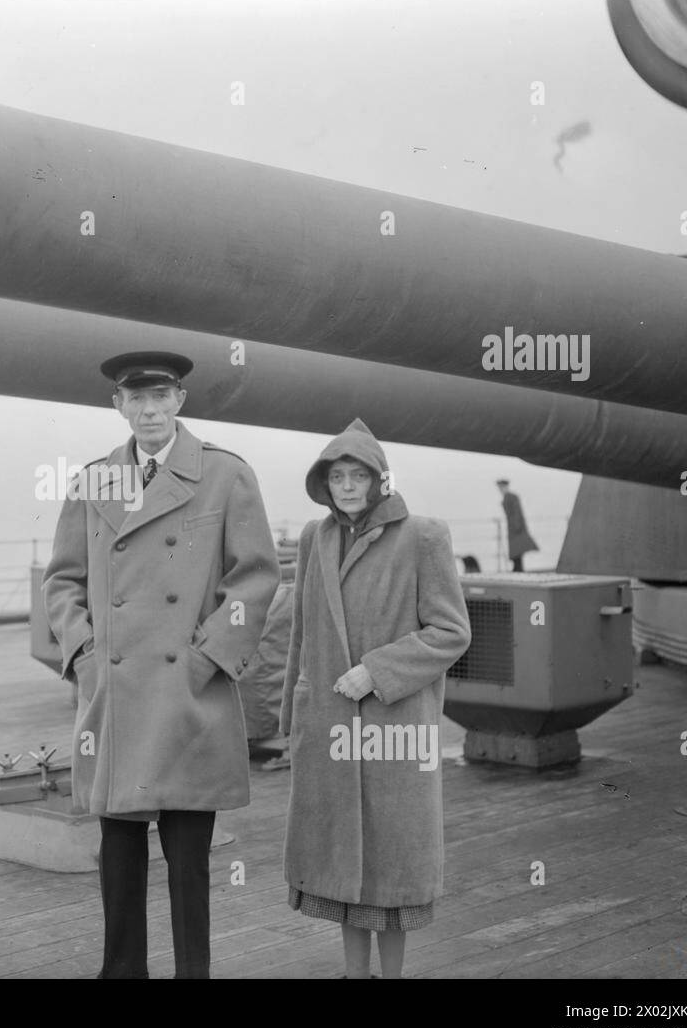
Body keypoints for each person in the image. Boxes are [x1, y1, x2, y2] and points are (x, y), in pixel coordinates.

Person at [43, 351, 280, 979]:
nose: (149, 410)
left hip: (187, 691)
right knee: (118, 853)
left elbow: (255, 579)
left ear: (180, 401)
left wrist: (208, 659)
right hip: (115, 693)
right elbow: (62, 582)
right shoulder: (94, 479)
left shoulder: (225, 474)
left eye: (160, 397)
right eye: (135, 399)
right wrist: (86, 657)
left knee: (188, 858)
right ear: (117, 405)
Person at [280, 419, 470, 979]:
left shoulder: (424, 535)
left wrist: (376, 671)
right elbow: (299, 633)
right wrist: (294, 719)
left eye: (357, 475)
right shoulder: (315, 537)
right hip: (329, 724)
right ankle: (352, 974)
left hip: (395, 726)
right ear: (325, 483)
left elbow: (451, 632)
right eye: (336, 476)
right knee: (341, 867)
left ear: (379, 480)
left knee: (391, 868)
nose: (346, 485)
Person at [496, 478, 538, 572]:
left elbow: (517, 512)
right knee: (516, 550)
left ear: (505, 486)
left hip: (516, 528)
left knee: (517, 549)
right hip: (513, 528)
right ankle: (517, 567)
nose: (500, 489)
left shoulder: (512, 497)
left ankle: (518, 568)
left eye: (501, 487)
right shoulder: (507, 497)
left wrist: (517, 526)